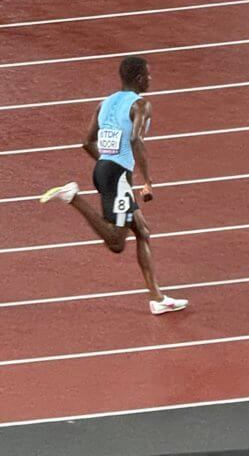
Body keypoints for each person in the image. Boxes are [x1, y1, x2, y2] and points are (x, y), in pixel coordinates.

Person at [40, 56, 188, 315]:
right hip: (117, 177)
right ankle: (73, 198)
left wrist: (108, 163)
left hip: (105, 171)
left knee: (142, 231)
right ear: (139, 78)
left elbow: (87, 142)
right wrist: (147, 181)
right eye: (148, 75)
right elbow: (136, 140)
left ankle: (156, 297)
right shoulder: (141, 105)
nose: (151, 79)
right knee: (116, 242)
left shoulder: (105, 103)